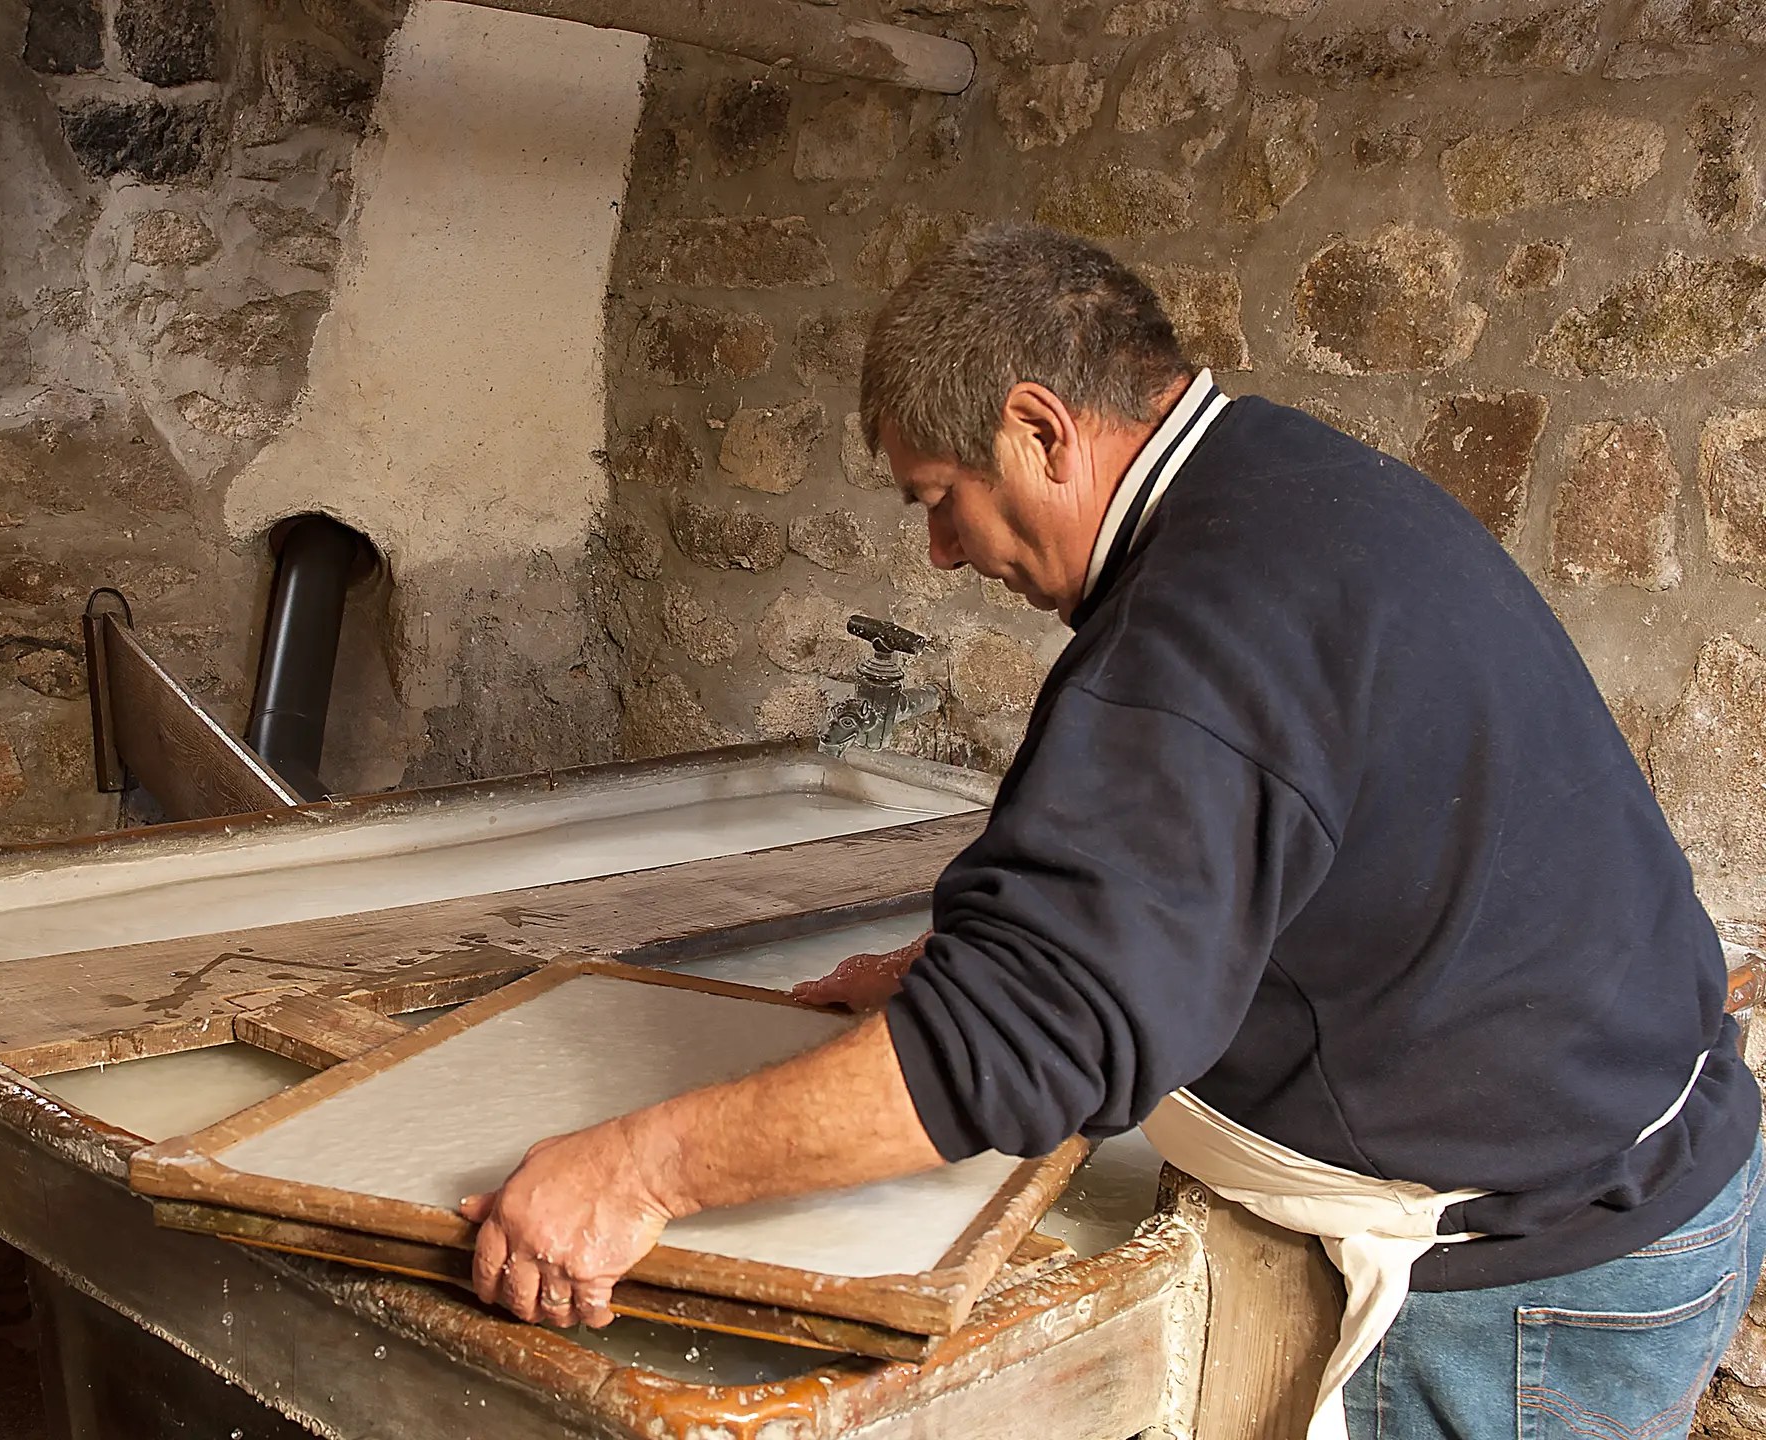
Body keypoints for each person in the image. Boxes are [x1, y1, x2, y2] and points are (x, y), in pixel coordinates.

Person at [459, 224, 1764, 1440]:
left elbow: (1021, 1049)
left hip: (1539, 1285)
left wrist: (637, 1173)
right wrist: (942, 976)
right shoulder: (1286, 486)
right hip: (1675, 1159)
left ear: (1040, 431)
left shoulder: (1202, 625)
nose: (940, 553)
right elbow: (1271, 866)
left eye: (939, 495)